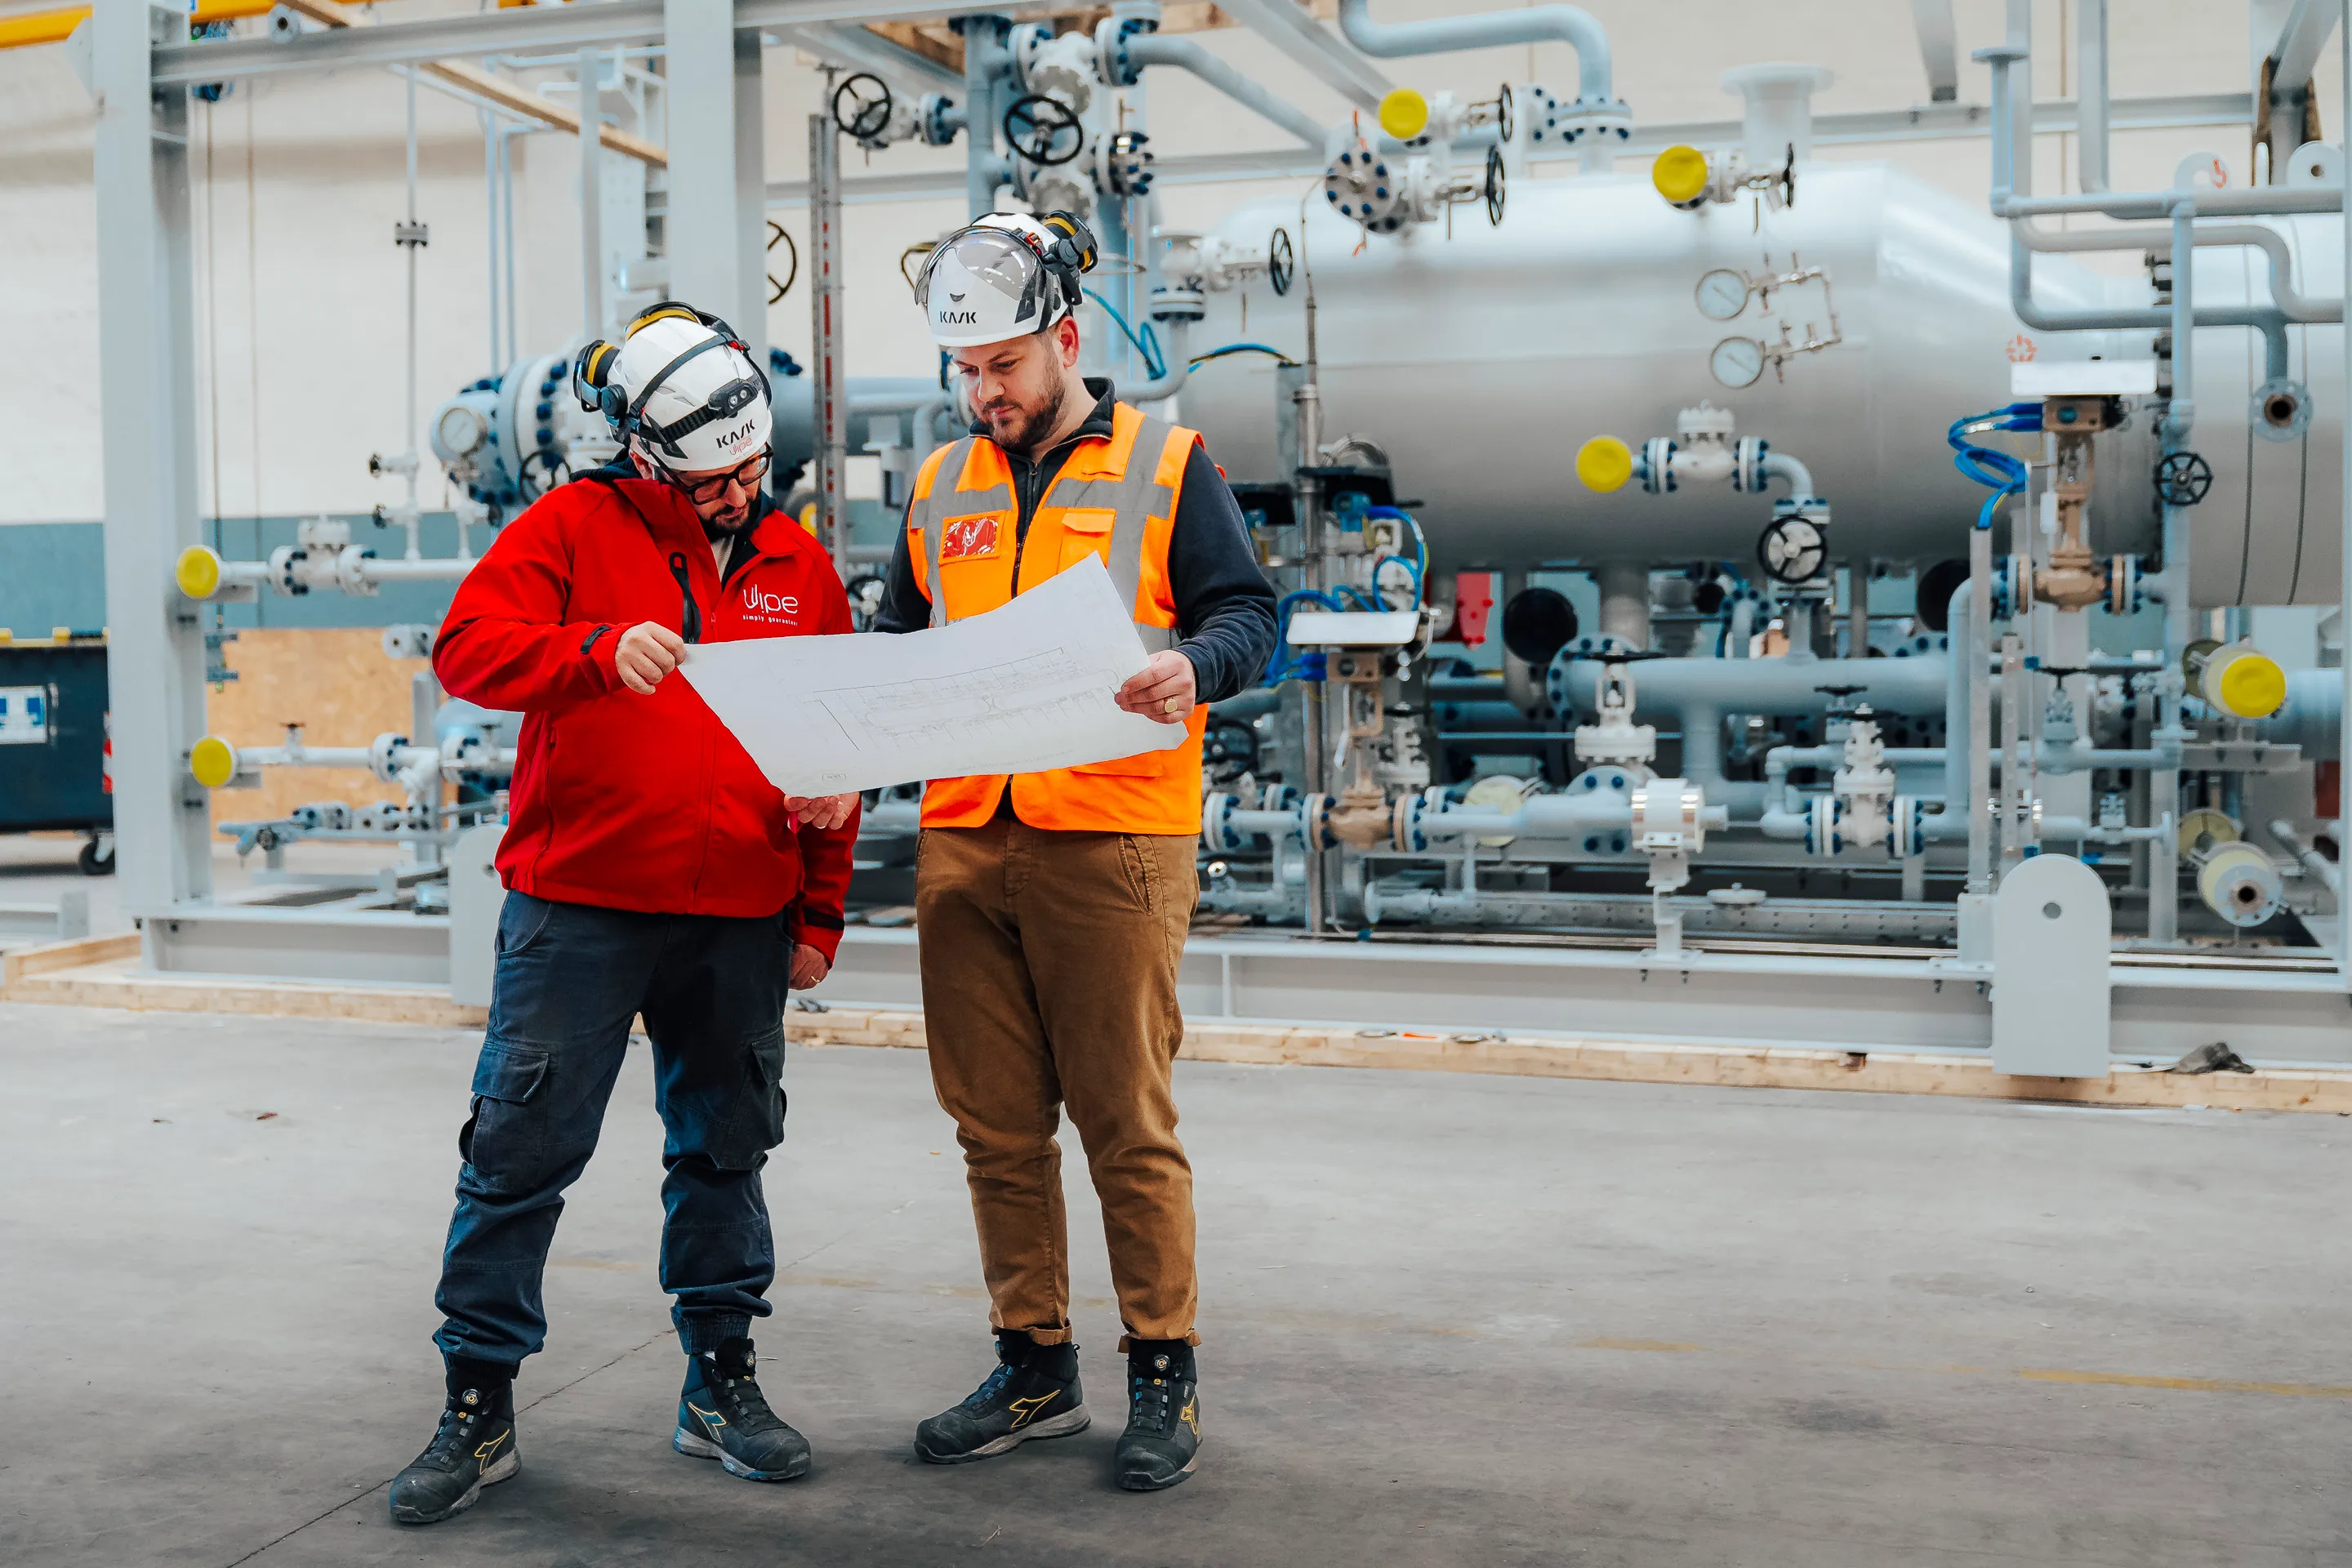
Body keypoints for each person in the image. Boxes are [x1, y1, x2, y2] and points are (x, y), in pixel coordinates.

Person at [390, 302, 862, 1526]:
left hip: (740, 916)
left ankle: (720, 1383)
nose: (739, 495)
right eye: (714, 479)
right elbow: (467, 652)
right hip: (580, 913)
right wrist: (594, 652)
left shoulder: (797, 565)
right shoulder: (567, 528)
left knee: (725, 1151)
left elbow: (840, 744)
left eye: (753, 470)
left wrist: (819, 912)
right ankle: (477, 1405)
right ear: (647, 455)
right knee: (519, 1154)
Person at [873, 212, 1277, 1491]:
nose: (983, 391)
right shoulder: (942, 486)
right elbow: (898, 647)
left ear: (1063, 339)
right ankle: (1033, 1364)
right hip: (964, 839)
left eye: (1003, 365)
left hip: (1113, 835)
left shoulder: (1168, 464)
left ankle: (1163, 1366)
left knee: (1123, 1122)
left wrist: (1196, 666)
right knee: (994, 1127)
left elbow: (1248, 612)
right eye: (966, 371)